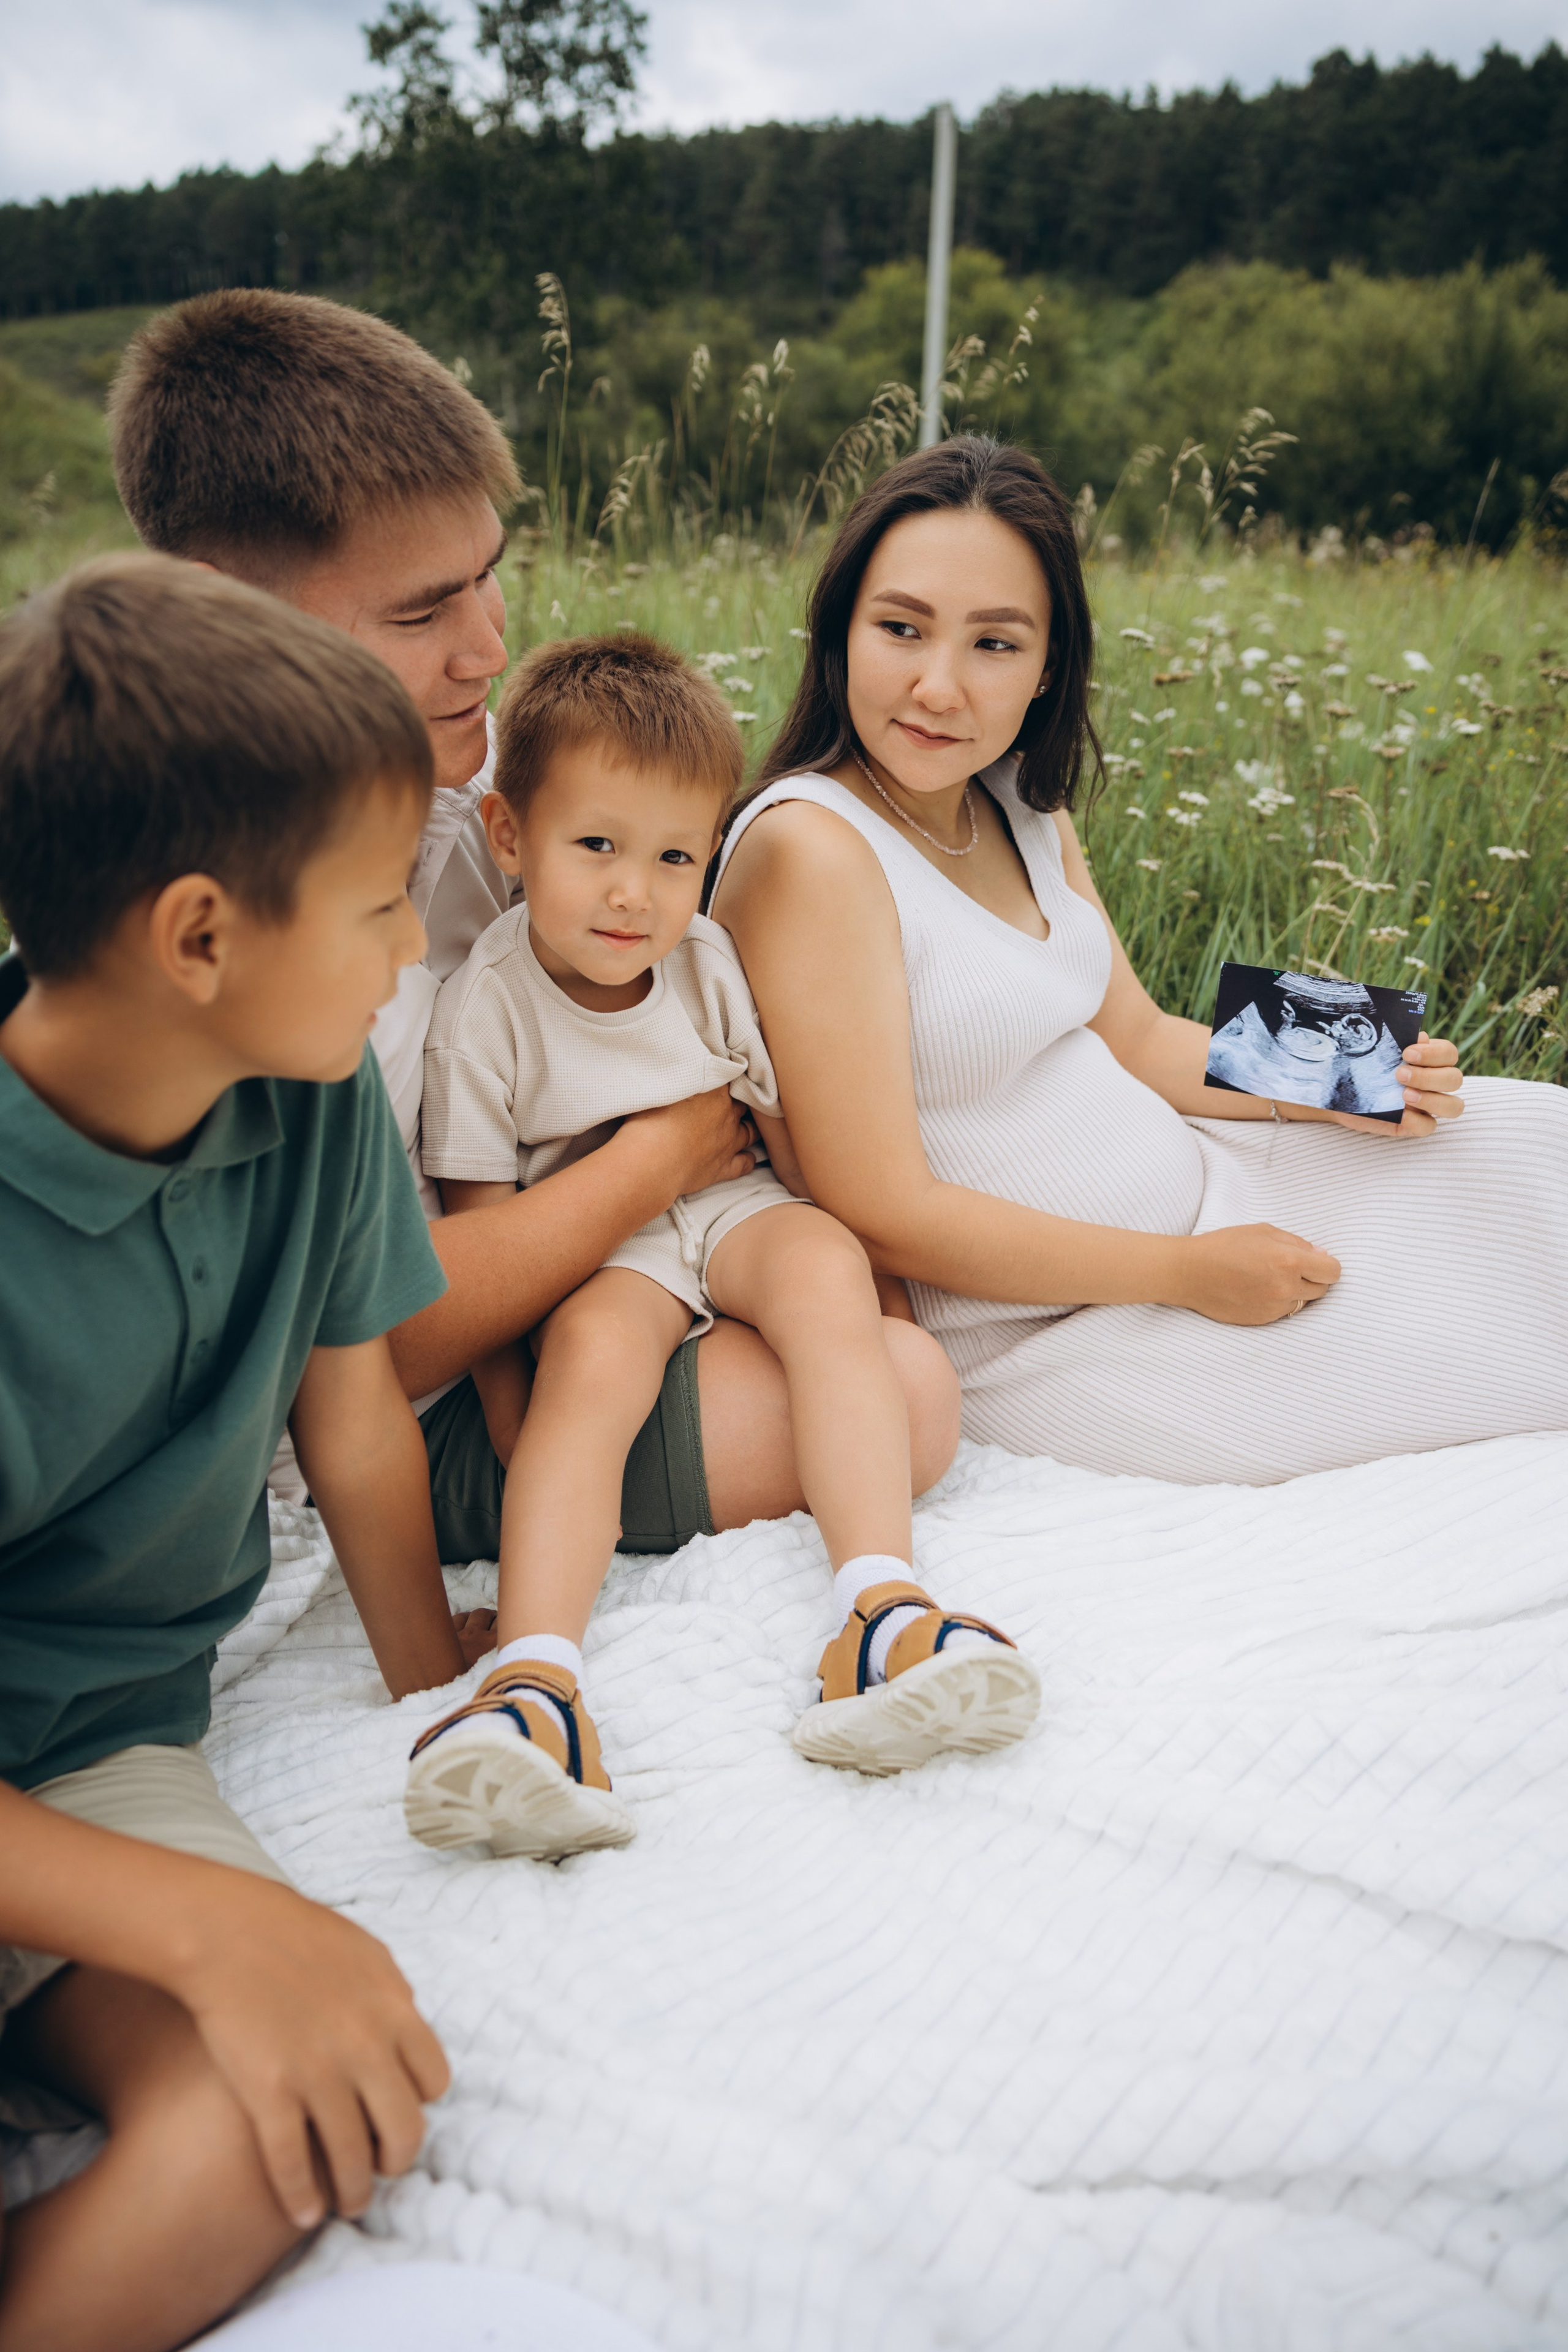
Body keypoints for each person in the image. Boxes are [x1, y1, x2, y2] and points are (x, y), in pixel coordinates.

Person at [106, 290, 960, 1567]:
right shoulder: (230, 947)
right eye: (420, 613)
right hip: (411, 1421)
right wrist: (657, 1157)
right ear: (231, 612)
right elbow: (367, 1355)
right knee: (906, 1401)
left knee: (861, 1339)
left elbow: (651, 844)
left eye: (490, 575)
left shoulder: (475, 779)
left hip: (602, 1272)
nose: (485, 647)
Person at [711, 436, 1568, 1485]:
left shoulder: (1017, 799)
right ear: (840, 632)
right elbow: (881, 1205)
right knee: (1477, 1357)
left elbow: (1140, 1037)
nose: (938, 686)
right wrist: (1186, 1275)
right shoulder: (811, 850)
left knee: (1530, 1141)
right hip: (1052, 1329)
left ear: (1047, 670)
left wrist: (1356, 1068)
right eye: (901, 629)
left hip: (1202, 1191)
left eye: (994, 644)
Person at [0, 557, 491, 2352]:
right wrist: (208, 1930)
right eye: (380, 906)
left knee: (301, 2108)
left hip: (94, 1753)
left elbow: (353, 1418)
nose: (417, 945)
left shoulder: (315, 1094)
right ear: (200, 938)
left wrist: (446, 1692)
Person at [404, 635, 1040, 1860]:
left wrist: (866, 1286)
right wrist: (502, 1409)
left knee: (821, 1279)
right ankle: (535, 1685)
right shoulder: (483, 1007)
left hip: (732, 1204)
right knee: (590, 1363)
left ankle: (879, 1610)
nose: (633, 893)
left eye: (674, 857)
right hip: (594, 1251)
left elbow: (776, 1129)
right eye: (594, 847)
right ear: (506, 834)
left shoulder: (700, 961)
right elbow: (485, 1243)